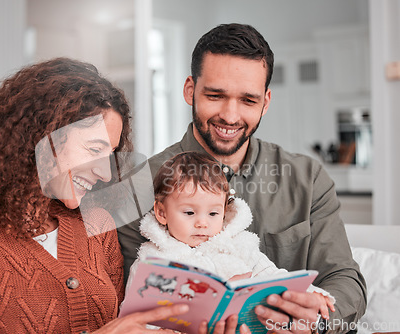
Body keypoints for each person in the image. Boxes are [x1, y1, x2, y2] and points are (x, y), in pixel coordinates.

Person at [0, 57, 227, 334]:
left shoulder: (96, 225)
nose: (104, 173)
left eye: (111, 155)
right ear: (42, 137)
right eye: (94, 149)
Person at [117, 24, 367, 333]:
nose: (231, 116)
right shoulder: (137, 187)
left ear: (266, 101)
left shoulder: (308, 178)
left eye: (248, 100)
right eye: (215, 95)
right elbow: (123, 302)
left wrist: (317, 323)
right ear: (189, 90)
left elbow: (345, 280)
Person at [125, 152, 335, 327]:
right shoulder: (150, 262)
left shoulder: (239, 245)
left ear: (224, 213)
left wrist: (313, 295)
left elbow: (276, 278)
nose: (202, 223)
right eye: (189, 213)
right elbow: (132, 322)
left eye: (213, 214)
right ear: (162, 213)